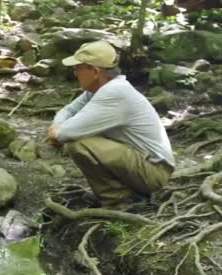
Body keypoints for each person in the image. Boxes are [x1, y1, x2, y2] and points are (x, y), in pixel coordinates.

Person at [47, 40, 175, 209]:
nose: (75, 73)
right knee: (81, 138)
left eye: (78, 67)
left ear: (94, 71)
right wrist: (57, 127)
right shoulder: (99, 89)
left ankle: (118, 202)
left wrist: (56, 131)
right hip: (146, 165)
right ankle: (123, 194)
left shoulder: (114, 92)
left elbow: (65, 134)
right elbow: (67, 111)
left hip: (154, 172)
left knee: (78, 144)